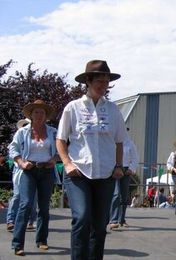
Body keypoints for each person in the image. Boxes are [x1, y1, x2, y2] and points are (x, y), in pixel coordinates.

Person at [56, 60, 126, 260]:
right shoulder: (73, 107)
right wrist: (67, 164)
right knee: (82, 218)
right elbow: (61, 139)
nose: (104, 85)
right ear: (88, 81)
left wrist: (119, 166)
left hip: (105, 173)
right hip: (78, 172)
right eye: (99, 81)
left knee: (100, 225)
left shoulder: (113, 110)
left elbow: (120, 141)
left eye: (106, 82)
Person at [8, 100, 58, 256]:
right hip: (29, 170)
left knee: (44, 207)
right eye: (36, 112)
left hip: (47, 171)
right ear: (30, 115)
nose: (39, 115)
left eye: (42, 112)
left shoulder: (53, 132)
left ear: (46, 116)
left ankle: (42, 240)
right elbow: (13, 148)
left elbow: (62, 149)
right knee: (26, 204)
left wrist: (54, 160)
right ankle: (17, 244)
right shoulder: (22, 132)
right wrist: (21, 162)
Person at [6, 118, 38, 233]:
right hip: (19, 169)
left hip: (33, 168)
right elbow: (12, 151)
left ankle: (31, 221)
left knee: (33, 197)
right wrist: (20, 162)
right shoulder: (19, 136)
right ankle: (10, 220)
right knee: (18, 194)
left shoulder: (36, 138)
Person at [109, 129, 139, 230]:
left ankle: (122, 219)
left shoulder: (130, 143)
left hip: (125, 170)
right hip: (114, 169)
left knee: (124, 196)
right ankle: (113, 220)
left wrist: (131, 169)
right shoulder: (112, 141)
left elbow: (135, 158)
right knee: (116, 194)